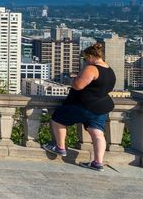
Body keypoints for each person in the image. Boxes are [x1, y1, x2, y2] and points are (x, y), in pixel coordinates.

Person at [44, 42, 117, 171]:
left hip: (86, 105)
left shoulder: (92, 69)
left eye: (85, 58)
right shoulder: (109, 70)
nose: (85, 61)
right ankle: (97, 162)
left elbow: (78, 85)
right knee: (97, 133)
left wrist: (77, 77)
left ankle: (60, 147)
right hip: (102, 107)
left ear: (91, 56)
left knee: (58, 118)